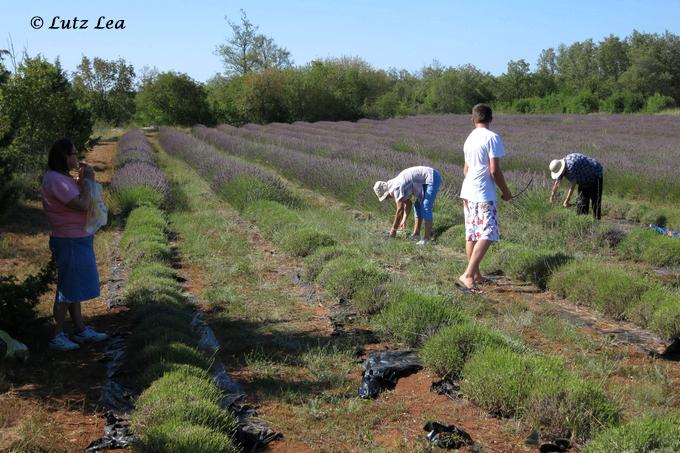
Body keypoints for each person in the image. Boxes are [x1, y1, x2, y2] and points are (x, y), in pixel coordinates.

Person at [41, 138, 108, 351]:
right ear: (64, 156)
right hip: (69, 240)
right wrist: (87, 181)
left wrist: (82, 180)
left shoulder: (63, 178)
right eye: (74, 154)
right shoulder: (55, 180)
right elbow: (81, 204)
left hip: (76, 238)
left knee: (74, 286)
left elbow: (78, 197)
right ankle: (57, 335)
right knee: (68, 288)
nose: (77, 158)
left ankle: (80, 330)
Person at [458, 104, 512, 292]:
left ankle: (477, 275)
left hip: (468, 191)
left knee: (472, 233)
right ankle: (468, 275)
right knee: (488, 233)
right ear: (491, 119)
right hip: (483, 193)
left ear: (473, 119)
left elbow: (465, 170)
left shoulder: (469, 138)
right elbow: (494, 170)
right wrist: (506, 192)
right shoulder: (492, 138)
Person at [373, 166, 442, 245]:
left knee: (426, 205)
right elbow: (408, 203)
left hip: (432, 176)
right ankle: (416, 235)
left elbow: (400, 210)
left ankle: (426, 239)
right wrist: (404, 220)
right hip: (427, 177)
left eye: (385, 197)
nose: (387, 199)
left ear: (386, 192)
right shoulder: (393, 184)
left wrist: (393, 229)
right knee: (417, 205)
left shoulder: (395, 188)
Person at [549, 153, 603, 219]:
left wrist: (566, 201)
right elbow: (557, 183)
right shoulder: (560, 166)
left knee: (595, 203)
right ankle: (583, 224)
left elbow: (572, 185)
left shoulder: (571, 166)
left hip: (595, 174)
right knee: (581, 204)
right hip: (583, 179)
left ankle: (597, 224)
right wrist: (552, 198)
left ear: (562, 168)